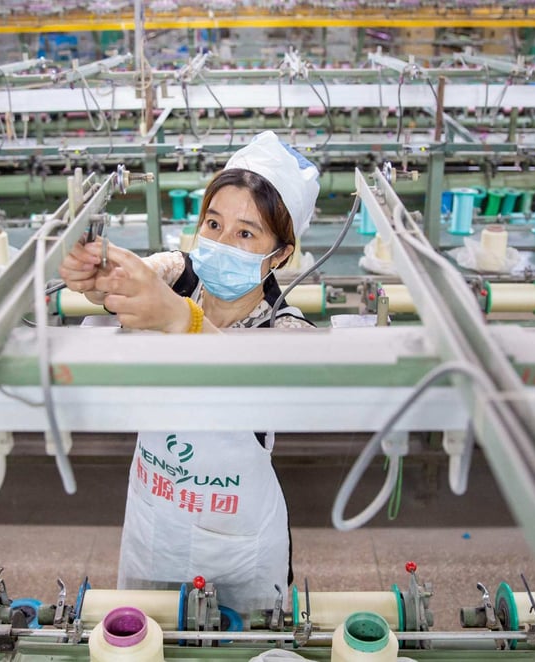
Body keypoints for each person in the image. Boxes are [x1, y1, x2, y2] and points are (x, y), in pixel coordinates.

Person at [58, 131, 321, 616]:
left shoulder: (287, 329)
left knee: (242, 637)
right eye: (214, 223)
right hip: (154, 515)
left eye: (246, 234)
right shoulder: (181, 275)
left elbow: (270, 382)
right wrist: (98, 278)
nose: (220, 242)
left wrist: (185, 322)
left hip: (235, 539)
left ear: (281, 255)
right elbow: (141, 274)